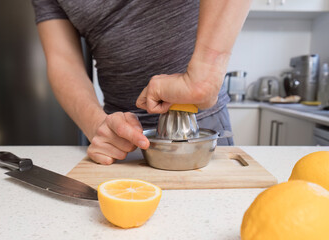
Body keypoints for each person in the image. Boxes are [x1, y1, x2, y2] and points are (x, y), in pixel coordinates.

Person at [32, 0, 252, 165]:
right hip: (118, 138)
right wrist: (96, 124)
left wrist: (205, 74)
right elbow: (63, 61)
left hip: (200, 127)